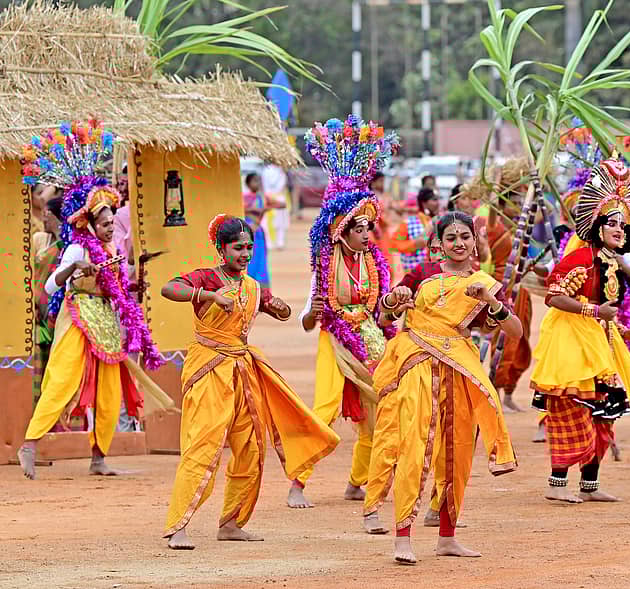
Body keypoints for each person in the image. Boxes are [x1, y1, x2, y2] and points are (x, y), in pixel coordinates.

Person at [161, 215, 340, 550]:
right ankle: (178, 525)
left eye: (248, 247)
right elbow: (168, 288)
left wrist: (286, 308)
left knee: (252, 448)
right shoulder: (207, 278)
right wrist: (208, 296)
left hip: (242, 371)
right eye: (237, 247)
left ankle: (231, 522)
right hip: (209, 369)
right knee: (203, 445)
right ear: (220, 248)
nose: (244, 253)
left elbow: (281, 311)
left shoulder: (253, 286)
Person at [363, 211, 520, 565]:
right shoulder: (422, 275)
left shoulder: (483, 284)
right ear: (438, 245)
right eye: (451, 238)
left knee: (458, 451)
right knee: (413, 446)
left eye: (465, 236)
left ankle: (447, 537)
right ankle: (403, 536)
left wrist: (492, 303)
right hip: (417, 365)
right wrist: (393, 300)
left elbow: (516, 331)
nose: (459, 243)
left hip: (459, 370)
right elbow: (386, 317)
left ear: (474, 241)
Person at [17, 120, 166, 480]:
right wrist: (75, 270)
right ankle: (30, 445)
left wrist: (135, 285)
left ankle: (99, 458)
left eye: (112, 221)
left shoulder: (112, 247)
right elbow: (52, 287)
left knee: (109, 390)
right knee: (63, 378)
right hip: (77, 317)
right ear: (87, 224)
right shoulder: (75, 248)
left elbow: (115, 288)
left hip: (105, 320)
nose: (110, 226)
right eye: (104, 222)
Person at [289, 117, 397, 530]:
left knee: (377, 407)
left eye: (370, 226)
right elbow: (306, 319)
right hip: (334, 339)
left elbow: (382, 312)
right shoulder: (324, 264)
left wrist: (393, 304)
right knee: (326, 408)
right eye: (361, 227)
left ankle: (358, 481)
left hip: (369, 337)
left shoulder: (375, 262)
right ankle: (298, 482)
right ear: (341, 229)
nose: (369, 233)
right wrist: (315, 313)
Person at [529, 154, 630, 503]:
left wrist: (620, 328)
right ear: (597, 226)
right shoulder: (580, 258)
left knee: (604, 411)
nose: (618, 229)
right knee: (574, 408)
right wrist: (592, 309)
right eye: (612, 223)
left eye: (623, 226)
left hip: (600, 339)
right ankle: (557, 485)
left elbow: (608, 307)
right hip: (571, 338)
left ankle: (590, 485)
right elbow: (553, 297)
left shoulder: (611, 261)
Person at [481, 158, 545, 412]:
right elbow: (493, 206)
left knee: (522, 343)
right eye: (515, 203)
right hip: (502, 290)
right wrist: (497, 180)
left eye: (521, 203)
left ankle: (509, 393)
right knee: (503, 344)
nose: (519, 207)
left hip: (522, 289)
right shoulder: (494, 227)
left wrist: (537, 181)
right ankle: (495, 392)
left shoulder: (522, 230)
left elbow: (546, 211)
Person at [31, 196, 64, 407]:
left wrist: (61, 232)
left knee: (58, 364)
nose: (43, 217)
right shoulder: (39, 239)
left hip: (59, 311)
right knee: (39, 364)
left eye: (48, 214)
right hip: (37, 311)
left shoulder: (69, 243)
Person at [242, 172, 285, 288]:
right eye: (254, 181)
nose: (257, 184)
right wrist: (252, 209)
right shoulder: (244, 197)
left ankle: (261, 287)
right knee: (248, 259)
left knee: (260, 261)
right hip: (246, 232)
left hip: (258, 232)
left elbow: (283, 204)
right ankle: (248, 285)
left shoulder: (263, 197)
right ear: (248, 183)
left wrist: (265, 208)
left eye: (258, 181)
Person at [392, 187, 439, 273]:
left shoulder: (440, 220)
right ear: (424, 203)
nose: (438, 203)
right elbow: (395, 244)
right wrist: (414, 244)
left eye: (438, 199)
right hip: (415, 274)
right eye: (434, 200)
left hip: (437, 272)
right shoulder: (408, 223)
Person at [261, 162, 291, 250]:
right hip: (273, 197)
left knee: (278, 221)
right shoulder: (270, 170)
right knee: (272, 221)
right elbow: (271, 185)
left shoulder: (279, 170)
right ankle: (274, 242)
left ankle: (277, 242)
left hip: (275, 197)